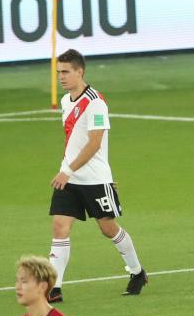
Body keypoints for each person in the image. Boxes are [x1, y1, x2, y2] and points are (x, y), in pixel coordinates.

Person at [47, 49, 147, 301]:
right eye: (59, 72)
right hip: (69, 179)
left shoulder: (96, 103)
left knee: (108, 228)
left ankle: (137, 272)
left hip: (94, 179)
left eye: (66, 72)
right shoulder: (65, 101)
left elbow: (94, 144)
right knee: (60, 226)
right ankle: (55, 288)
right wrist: (66, 170)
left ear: (80, 72)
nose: (61, 77)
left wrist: (67, 170)